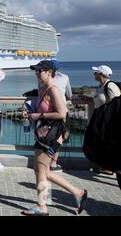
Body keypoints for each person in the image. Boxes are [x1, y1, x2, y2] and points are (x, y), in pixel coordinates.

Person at [22, 60, 87, 216]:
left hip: (51, 136)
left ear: (50, 72)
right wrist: (31, 113)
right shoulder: (43, 88)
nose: (37, 73)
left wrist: (39, 115)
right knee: (40, 170)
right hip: (43, 134)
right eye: (36, 71)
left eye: (40, 71)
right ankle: (47, 203)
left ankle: (46, 204)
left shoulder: (53, 90)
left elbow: (61, 113)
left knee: (42, 170)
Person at [89, 65, 121, 175]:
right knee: (100, 142)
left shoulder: (110, 86)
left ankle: (111, 166)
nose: (94, 74)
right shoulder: (100, 86)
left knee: (108, 143)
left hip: (109, 122)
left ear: (101, 74)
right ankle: (106, 165)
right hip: (101, 120)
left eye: (96, 72)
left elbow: (117, 103)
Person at [47, 60, 72, 172]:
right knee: (59, 137)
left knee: (46, 136)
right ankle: (53, 162)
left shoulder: (44, 78)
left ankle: (45, 160)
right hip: (61, 111)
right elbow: (69, 94)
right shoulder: (65, 77)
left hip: (47, 111)